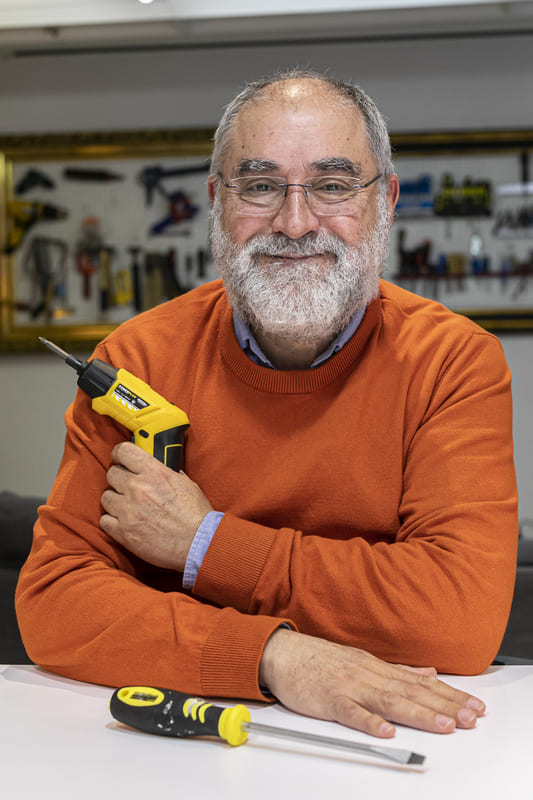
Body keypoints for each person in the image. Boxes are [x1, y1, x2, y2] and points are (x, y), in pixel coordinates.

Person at [16, 69, 518, 740]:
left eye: (332, 186)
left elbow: (457, 617)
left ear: (387, 201)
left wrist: (203, 542)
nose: (294, 222)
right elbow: (56, 602)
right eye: (259, 186)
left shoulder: (453, 362)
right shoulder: (137, 360)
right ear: (216, 201)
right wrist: (274, 656)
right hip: (186, 743)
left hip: (392, 739)